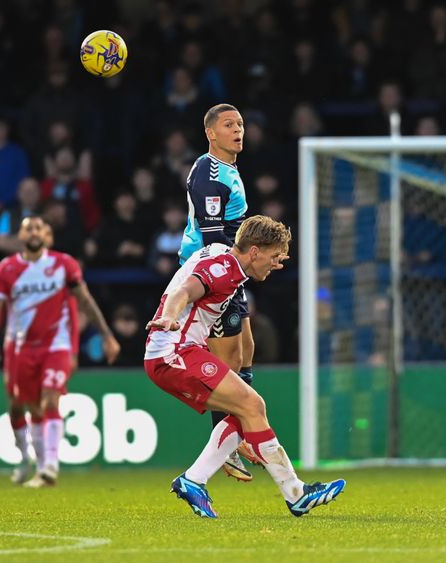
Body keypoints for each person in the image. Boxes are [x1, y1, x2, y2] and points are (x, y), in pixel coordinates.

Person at [145, 215, 344, 518]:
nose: (275, 263)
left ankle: (195, 480)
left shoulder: (226, 258)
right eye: (273, 256)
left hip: (179, 352)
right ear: (254, 251)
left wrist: (269, 256)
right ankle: (295, 494)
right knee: (252, 405)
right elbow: (183, 291)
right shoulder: (223, 271)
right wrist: (170, 316)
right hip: (173, 354)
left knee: (248, 409)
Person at [0, 216, 119, 487]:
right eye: (28, 228)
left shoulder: (63, 264)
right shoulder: (7, 268)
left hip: (55, 345)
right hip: (19, 346)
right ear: (20, 236)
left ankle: (49, 466)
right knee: (22, 406)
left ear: (47, 235)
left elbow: (84, 302)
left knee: (50, 399)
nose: (34, 232)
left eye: (38, 228)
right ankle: (27, 458)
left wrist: (106, 335)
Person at [179, 103, 263, 482]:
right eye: (229, 124)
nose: (238, 129)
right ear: (211, 133)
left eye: (241, 124)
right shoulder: (208, 173)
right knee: (226, 364)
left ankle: (236, 432)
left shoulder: (229, 170)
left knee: (246, 349)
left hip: (231, 271)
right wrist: (243, 265)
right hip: (212, 271)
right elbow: (214, 239)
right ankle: (229, 445)